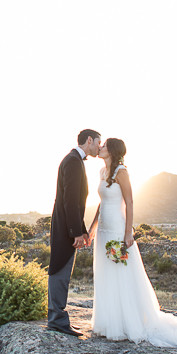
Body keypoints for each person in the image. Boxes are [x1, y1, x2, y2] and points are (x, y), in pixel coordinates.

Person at [88, 138, 177, 354]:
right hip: (103, 231)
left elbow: (130, 202)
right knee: (106, 273)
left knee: (120, 273)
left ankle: (127, 323)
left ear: (113, 150)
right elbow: (101, 203)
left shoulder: (121, 172)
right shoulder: (101, 172)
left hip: (117, 229)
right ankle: (109, 322)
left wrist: (128, 233)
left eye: (105, 145)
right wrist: (92, 228)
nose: (101, 147)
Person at [48, 129, 101, 337]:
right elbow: (70, 200)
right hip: (64, 227)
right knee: (59, 270)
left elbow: (76, 202)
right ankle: (56, 319)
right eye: (98, 142)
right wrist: (75, 232)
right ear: (89, 140)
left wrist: (81, 229)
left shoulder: (74, 160)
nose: (99, 146)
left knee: (62, 270)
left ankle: (57, 318)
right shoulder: (72, 161)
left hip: (67, 225)